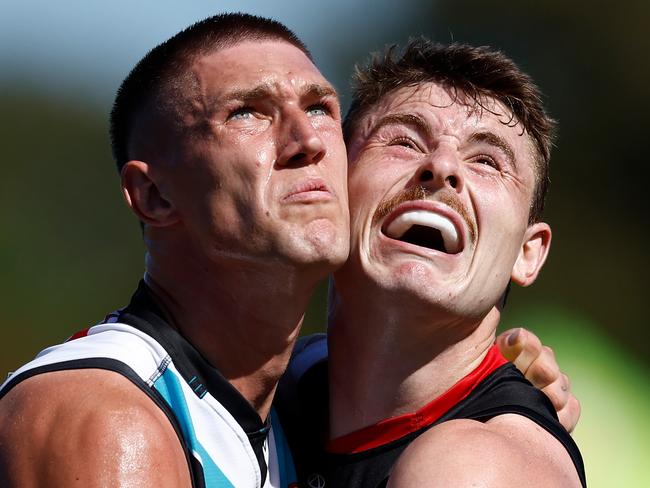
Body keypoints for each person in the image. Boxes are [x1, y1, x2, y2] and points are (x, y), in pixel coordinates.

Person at [0, 14, 578, 488]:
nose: (305, 141)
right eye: (247, 112)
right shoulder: (114, 426)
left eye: (321, 108)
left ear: (532, 253)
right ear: (153, 194)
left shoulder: (305, 403)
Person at [279, 40, 585, 487]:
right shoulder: (270, 385)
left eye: (486, 161)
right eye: (403, 141)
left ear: (528, 252)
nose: (441, 166)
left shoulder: (474, 465)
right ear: (333, 192)